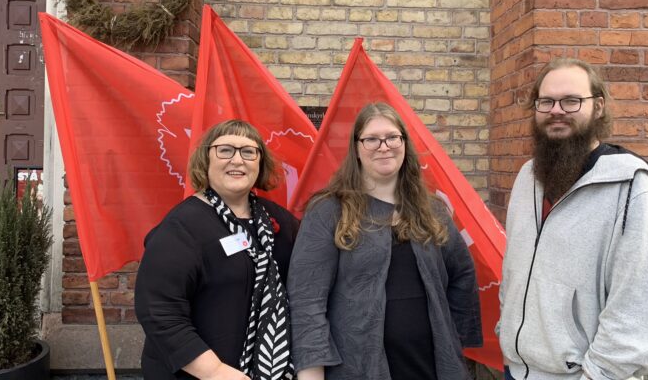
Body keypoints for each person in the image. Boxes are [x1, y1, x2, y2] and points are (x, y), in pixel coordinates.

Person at [497, 59, 648, 380]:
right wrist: (506, 330)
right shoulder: (527, 177)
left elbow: (639, 300)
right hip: (517, 369)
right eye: (546, 101)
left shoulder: (631, 186)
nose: (556, 110)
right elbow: (515, 269)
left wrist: (600, 374)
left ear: (599, 106)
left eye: (571, 100)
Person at [287, 102, 482, 380]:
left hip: (431, 366)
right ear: (356, 147)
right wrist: (311, 372)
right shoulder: (329, 211)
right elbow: (307, 298)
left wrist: (452, 337)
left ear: (404, 143)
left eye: (392, 137)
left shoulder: (432, 210)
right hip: (357, 368)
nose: (384, 146)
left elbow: (462, 273)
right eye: (371, 139)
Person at [135, 120, 299, 380]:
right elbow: (159, 312)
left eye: (248, 151)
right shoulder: (181, 227)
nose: (237, 160)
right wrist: (214, 372)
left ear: (260, 162)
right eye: (225, 150)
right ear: (206, 160)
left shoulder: (281, 222)